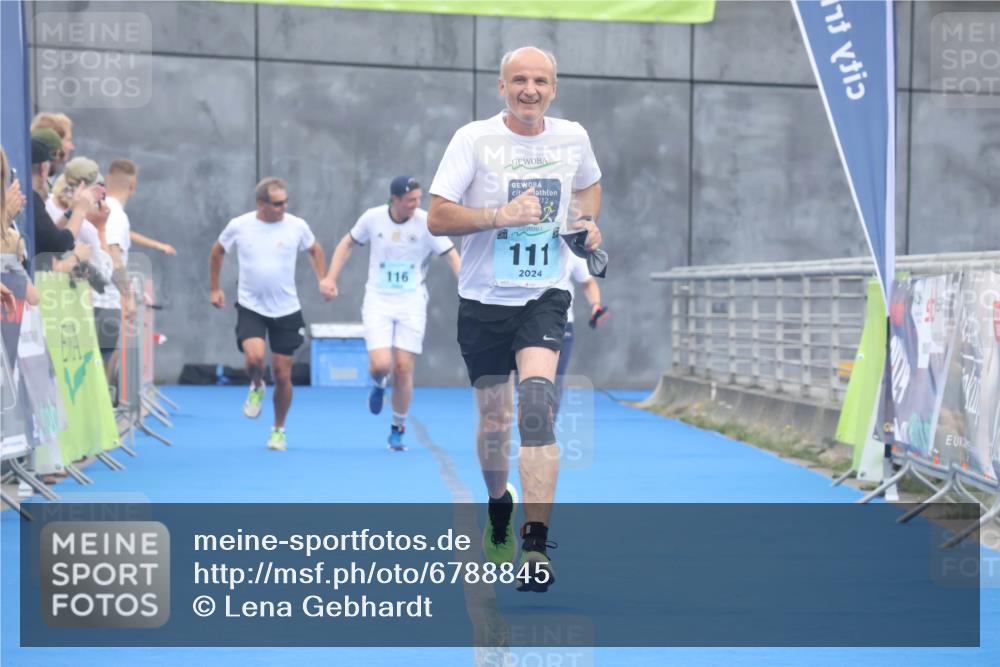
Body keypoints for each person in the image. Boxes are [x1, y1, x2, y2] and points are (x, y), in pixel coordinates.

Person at [428, 46, 603, 592]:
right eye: (520, 80)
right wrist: (497, 216)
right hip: (482, 303)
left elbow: (589, 185)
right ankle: (498, 504)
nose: (531, 89)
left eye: (541, 81)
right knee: (496, 421)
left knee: (534, 409)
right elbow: (437, 216)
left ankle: (534, 547)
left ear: (555, 87)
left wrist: (586, 222)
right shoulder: (473, 139)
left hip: (543, 298)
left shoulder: (572, 136)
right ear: (501, 87)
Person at [320, 176, 460, 451]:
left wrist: (467, 288)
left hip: (411, 301)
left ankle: (397, 427)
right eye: (410, 201)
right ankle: (378, 382)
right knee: (382, 365)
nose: (416, 205)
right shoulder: (372, 218)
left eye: (419, 199)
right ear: (394, 200)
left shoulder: (427, 222)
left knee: (404, 367)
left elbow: (452, 255)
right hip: (378, 299)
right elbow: (347, 244)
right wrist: (330, 278)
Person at [209, 177, 326, 451]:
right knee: (255, 359)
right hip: (251, 306)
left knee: (283, 374)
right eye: (276, 203)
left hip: (287, 309)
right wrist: (215, 289)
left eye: (285, 202)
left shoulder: (297, 226)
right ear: (260, 203)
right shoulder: (240, 225)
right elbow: (217, 252)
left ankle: (278, 430)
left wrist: (324, 279)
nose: (282, 207)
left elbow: (315, 249)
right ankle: (257, 384)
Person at [554, 252, 608, 415]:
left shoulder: (569, 250)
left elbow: (588, 282)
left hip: (562, 325)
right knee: (529, 383)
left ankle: (547, 432)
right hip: (523, 322)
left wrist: (595, 305)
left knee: (554, 379)